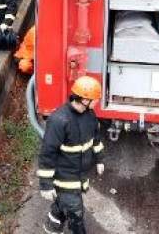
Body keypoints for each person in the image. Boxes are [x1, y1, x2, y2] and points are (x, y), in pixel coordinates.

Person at [38, 76, 105, 234]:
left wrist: (100, 159)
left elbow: (96, 139)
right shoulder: (59, 120)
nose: (97, 102)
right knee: (76, 215)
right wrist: (46, 185)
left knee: (63, 205)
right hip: (65, 180)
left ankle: (52, 226)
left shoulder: (90, 116)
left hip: (79, 175)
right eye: (94, 99)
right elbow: (47, 154)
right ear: (84, 99)